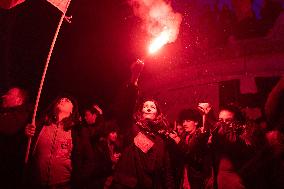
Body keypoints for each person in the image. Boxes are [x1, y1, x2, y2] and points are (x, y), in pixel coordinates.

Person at [111, 59, 175, 189]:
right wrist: (134, 78)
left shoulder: (161, 139)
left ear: (158, 114)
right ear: (141, 111)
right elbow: (125, 108)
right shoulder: (131, 127)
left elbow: (166, 171)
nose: (149, 108)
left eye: (153, 107)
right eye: (146, 106)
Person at [25, 96, 80, 189]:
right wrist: (26, 134)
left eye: (67, 100)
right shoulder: (40, 125)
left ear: (72, 111)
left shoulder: (77, 131)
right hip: (36, 183)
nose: (63, 100)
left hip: (64, 184)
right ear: (54, 108)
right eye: (60, 100)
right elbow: (25, 149)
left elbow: (86, 159)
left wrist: (78, 181)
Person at [168, 108, 211, 189]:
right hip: (185, 178)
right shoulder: (185, 136)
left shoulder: (200, 136)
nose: (184, 124)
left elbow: (191, 154)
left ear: (196, 122)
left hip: (198, 180)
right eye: (183, 121)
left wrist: (178, 141)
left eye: (188, 121)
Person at [0, 87, 30, 189]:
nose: (3, 96)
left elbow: (8, 129)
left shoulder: (22, 115)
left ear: (19, 100)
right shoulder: (5, 112)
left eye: (8, 94)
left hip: (8, 170)